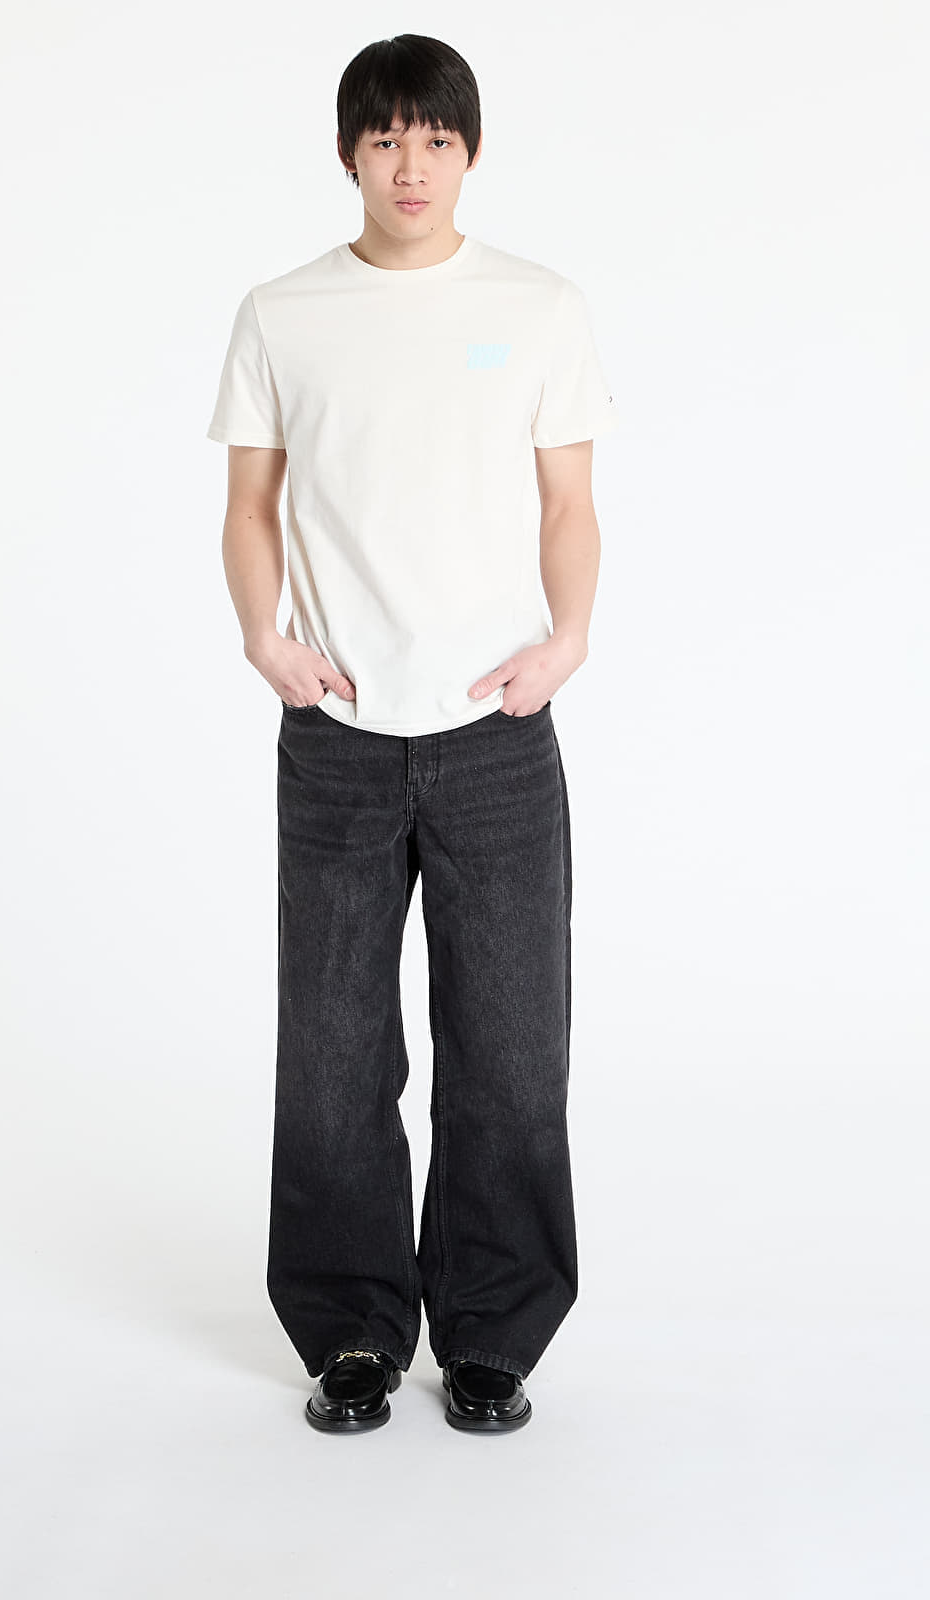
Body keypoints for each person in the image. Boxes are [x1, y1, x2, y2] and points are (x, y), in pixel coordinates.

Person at [206, 33, 618, 1434]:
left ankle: (493, 1333)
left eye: (435, 137)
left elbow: (569, 502)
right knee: (333, 1055)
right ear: (348, 156)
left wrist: (567, 640)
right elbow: (249, 505)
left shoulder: (538, 307)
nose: (411, 164)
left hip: (496, 727)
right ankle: (352, 1333)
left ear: (471, 151)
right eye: (384, 138)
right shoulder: (283, 314)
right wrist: (266, 639)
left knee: (510, 1050)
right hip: (337, 732)